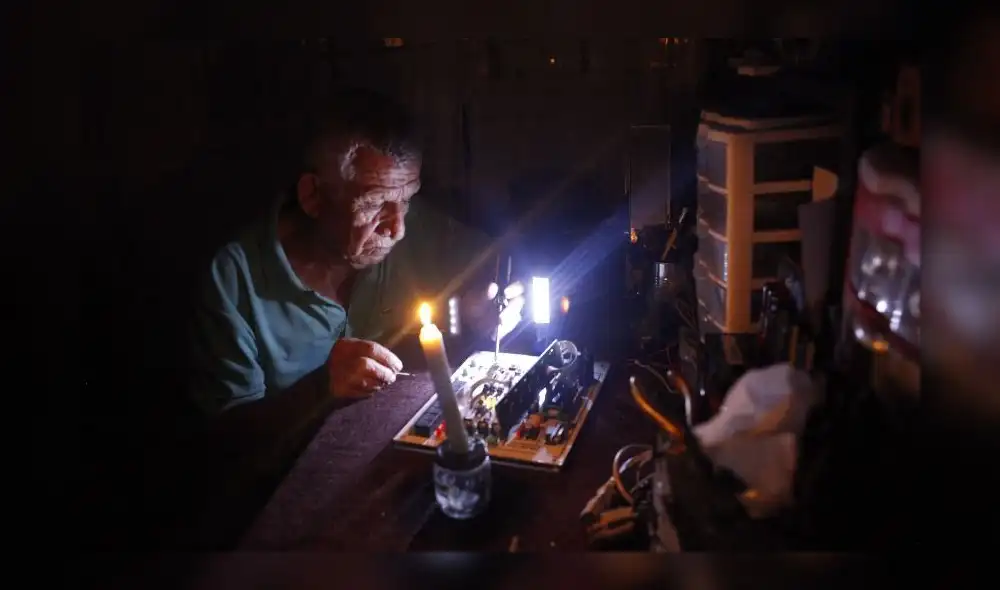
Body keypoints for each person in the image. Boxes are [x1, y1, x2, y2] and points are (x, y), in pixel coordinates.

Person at [188, 88, 525, 428]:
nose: (398, 229)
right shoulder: (233, 279)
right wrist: (320, 390)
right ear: (313, 196)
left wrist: (486, 307)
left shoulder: (419, 228)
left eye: (407, 199)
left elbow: (500, 261)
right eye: (374, 205)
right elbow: (225, 444)